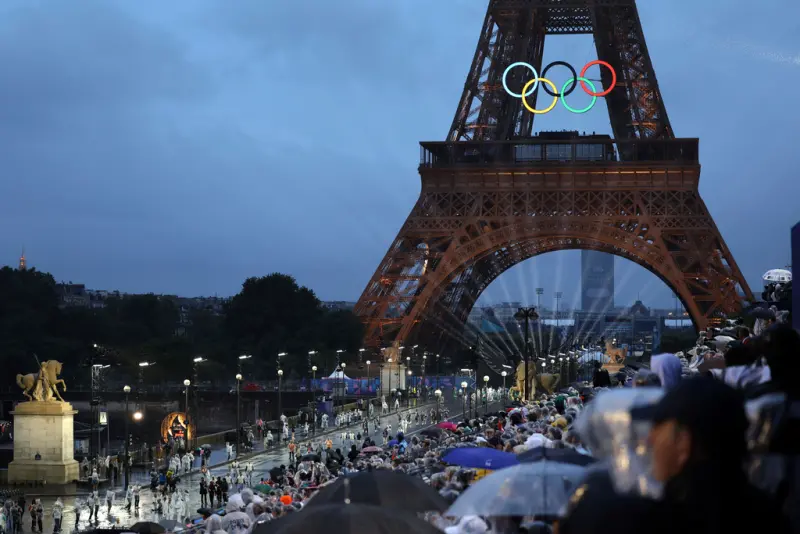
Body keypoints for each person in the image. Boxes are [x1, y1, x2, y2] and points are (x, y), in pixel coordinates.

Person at [631, 377, 789, 533]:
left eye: (657, 428)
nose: (649, 440)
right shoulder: (770, 515)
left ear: (683, 442)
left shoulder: (657, 521)